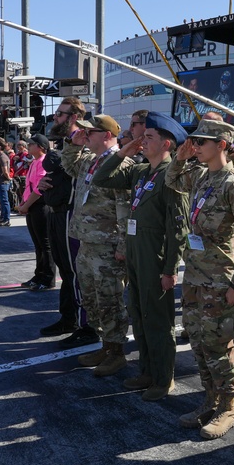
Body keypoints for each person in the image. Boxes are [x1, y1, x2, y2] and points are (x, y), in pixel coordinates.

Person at [165, 118, 234, 440]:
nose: (195, 146)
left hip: (220, 279)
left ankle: (228, 408)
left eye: (201, 142)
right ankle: (210, 400)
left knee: (219, 345)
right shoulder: (203, 176)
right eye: (193, 141)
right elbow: (172, 180)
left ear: (221, 145)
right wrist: (180, 157)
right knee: (198, 341)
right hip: (194, 275)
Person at [92, 111, 190, 400]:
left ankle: (163, 377)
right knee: (140, 314)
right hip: (135, 253)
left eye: (149, 137)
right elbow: (102, 177)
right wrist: (123, 151)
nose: (141, 141)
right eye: (142, 136)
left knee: (158, 320)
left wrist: (171, 269)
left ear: (167, 145)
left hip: (155, 256)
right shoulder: (140, 172)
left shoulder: (172, 176)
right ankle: (147, 371)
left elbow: (178, 228)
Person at [60, 115, 131, 377]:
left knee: (110, 300)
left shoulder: (122, 165)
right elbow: (68, 165)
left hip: (108, 245)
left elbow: (125, 210)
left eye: (91, 132)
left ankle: (117, 353)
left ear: (107, 135)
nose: (86, 135)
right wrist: (73, 143)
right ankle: (105, 345)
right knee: (91, 299)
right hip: (87, 242)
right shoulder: (90, 160)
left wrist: (123, 245)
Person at [38, 100, 94, 347]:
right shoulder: (66, 144)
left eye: (60, 114)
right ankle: (69, 317)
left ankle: (85, 324)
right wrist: (44, 184)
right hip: (58, 212)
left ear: (73, 117)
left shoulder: (86, 142)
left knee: (75, 271)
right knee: (65, 268)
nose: (55, 118)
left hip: (74, 214)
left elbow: (76, 176)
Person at [16, 135, 56, 291]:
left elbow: (40, 189)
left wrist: (26, 205)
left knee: (45, 244)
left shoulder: (43, 163)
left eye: (31, 144)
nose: (28, 147)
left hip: (39, 205)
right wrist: (23, 203)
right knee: (38, 244)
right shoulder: (34, 162)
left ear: (40, 146)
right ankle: (39, 274)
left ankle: (48, 277)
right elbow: (29, 187)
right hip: (31, 205)